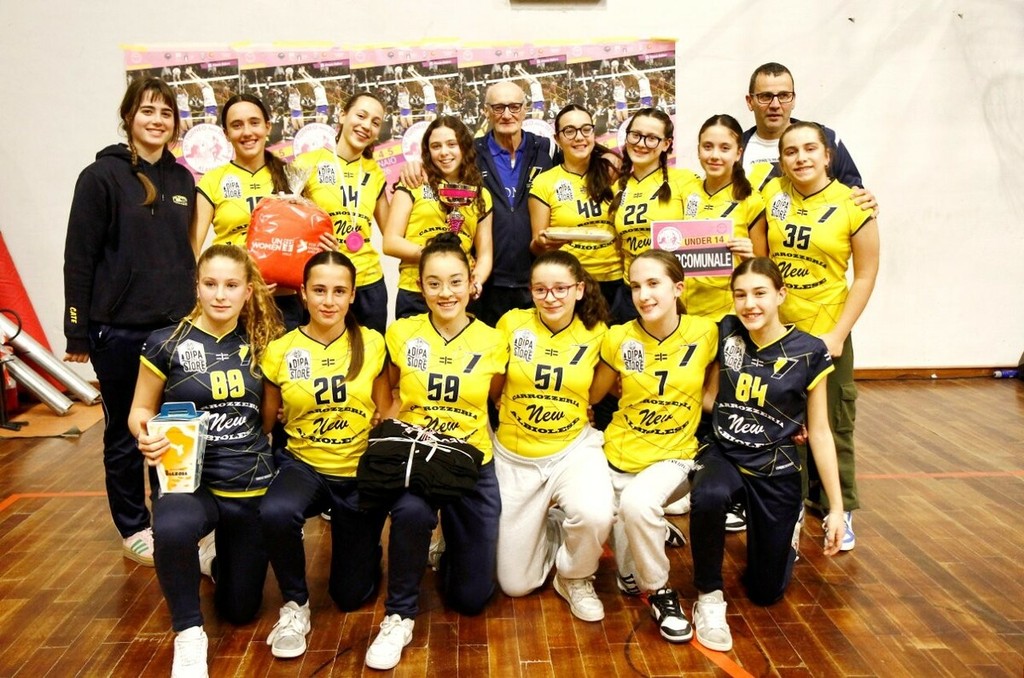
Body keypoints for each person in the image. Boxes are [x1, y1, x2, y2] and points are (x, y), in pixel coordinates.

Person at [129, 244, 284, 677]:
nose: (220, 294)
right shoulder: (165, 343)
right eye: (210, 284)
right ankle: (189, 632)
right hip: (186, 479)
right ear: (196, 286)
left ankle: (215, 560)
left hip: (247, 478)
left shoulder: (265, 344)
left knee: (240, 610)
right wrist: (145, 434)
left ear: (248, 291)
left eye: (231, 285)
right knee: (173, 528)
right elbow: (140, 409)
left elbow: (267, 422)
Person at [63, 77, 196, 568]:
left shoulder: (182, 180)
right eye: (147, 110)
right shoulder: (100, 177)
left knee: (174, 430)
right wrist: (77, 329)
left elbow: (184, 254)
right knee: (125, 434)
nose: (157, 120)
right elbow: (79, 258)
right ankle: (134, 527)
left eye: (166, 112)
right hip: (117, 329)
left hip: (173, 329)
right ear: (128, 117)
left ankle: (173, 522)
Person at [688, 257, 845, 652]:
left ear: (781, 294)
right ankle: (708, 595)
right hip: (725, 451)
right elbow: (709, 398)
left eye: (760, 293)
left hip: (777, 465)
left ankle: (786, 531)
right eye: (740, 295)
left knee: (765, 592)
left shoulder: (810, 352)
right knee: (708, 494)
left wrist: (836, 507)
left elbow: (820, 432)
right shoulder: (726, 333)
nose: (749, 304)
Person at [370, 233, 507, 670]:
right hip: (419, 455)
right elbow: (388, 387)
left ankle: (448, 548)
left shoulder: (494, 339)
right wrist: (388, 424)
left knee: (472, 598)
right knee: (410, 514)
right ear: (420, 286)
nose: (445, 292)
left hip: (471, 459)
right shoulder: (402, 332)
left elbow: (496, 397)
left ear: (471, 283)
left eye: (455, 281)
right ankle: (399, 615)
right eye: (433, 283)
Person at [259, 251, 391, 660]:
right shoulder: (281, 349)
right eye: (319, 290)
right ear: (302, 293)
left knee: (351, 596)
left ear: (352, 295)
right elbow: (267, 422)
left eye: (338, 291)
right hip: (304, 464)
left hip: (356, 471)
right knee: (276, 510)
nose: (328, 301)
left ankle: (367, 550)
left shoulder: (372, 343)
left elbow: (385, 410)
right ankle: (294, 604)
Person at [760, 121, 879, 550]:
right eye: (791, 151)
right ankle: (789, 503)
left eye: (810, 148)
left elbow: (865, 276)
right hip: (778, 331)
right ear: (781, 160)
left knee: (833, 423)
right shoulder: (770, 195)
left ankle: (837, 507)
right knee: (781, 425)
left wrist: (838, 334)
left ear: (828, 155)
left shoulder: (854, 204)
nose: (801, 158)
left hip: (827, 331)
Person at [589, 250, 717, 643]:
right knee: (625, 578)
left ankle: (661, 593)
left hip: (674, 458)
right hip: (619, 454)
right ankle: (651, 530)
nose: (643, 295)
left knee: (638, 504)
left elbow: (715, 395)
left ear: (678, 288)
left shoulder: (706, 332)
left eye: (653, 284)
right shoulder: (618, 337)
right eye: (635, 286)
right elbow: (594, 395)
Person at [491, 251, 614, 622]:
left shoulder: (598, 333)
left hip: (571, 451)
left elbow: (594, 396)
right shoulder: (512, 323)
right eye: (541, 289)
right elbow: (494, 388)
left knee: (595, 514)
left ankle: (574, 576)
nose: (551, 297)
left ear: (579, 289)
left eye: (561, 288)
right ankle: (555, 525)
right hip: (516, 457)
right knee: (515, 584)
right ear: (530, 291)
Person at [399, 81, 556, 326]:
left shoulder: (545, 150)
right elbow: (442, 159)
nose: (507, 114)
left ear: (525, 109)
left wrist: (609, 157)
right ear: (486, 111)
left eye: (514, 107)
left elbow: (580, 154)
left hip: (534, 278)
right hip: (487, 286)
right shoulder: (471, 153)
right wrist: (414, 165)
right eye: (498, 107)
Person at [191, 94, 300, 327]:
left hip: (284, 303)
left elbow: (304, 239)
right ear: (226, 133)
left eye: (254, 122)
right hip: (231, 304)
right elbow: (193, 248)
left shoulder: (293, 176)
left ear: (267, 126)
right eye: (237, 125)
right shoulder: (212, 180)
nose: (247, 132)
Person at [295, 93, 391, 335]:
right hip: (323, 281)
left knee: (370, 354)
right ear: (342, 115)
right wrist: (310, 243)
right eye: (361, 116)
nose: (366, 126)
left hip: (368, 282)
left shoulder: (375, 172)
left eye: (375, 122)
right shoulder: (307, 163)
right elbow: (287, 224)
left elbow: (391, 233)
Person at [383, 116, 493, 319]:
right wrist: (437, 258)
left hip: (460, 293)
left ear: (464, 147)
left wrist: (475, 281)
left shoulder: (480, 194)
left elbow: (485, 254)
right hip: (416, 290)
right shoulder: (413, 183)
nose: (444, 152)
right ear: (427, 151)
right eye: (436, 146)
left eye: (452, 144)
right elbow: (390, 242)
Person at [609, 107, 699, 324]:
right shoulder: (616, 189)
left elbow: (702, 238)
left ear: (666, 144)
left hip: (674, 295)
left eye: (651, 138)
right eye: (636, 135)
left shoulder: (686, 181)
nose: (641, 143)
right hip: (632, 296)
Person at [529, 104, 621, 310]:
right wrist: (542, 243)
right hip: (571, 284)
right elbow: (535, 246)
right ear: (557, 139)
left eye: (586, 129)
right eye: (569, 131)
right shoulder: (544, 182)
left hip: (616, 281)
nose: (579, 137)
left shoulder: (612, 172)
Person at [741, 62, 862, 191]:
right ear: (750, 102)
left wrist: (863, 198)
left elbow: (855, 193)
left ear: (793, 100)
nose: (775, 105)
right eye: (765, 96)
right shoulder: (733, 149)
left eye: (783, 96)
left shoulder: (826, 139)